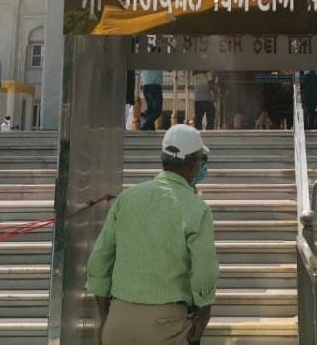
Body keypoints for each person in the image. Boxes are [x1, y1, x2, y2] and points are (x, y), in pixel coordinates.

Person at [88, 124, 219, 345]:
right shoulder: (196, 209)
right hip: (166, 327)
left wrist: (105, 319)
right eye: (202, 161)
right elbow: (204, 272)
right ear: (195, 164)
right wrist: (202, 318)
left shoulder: (126, 198)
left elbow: (99, 262)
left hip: (118, 321)